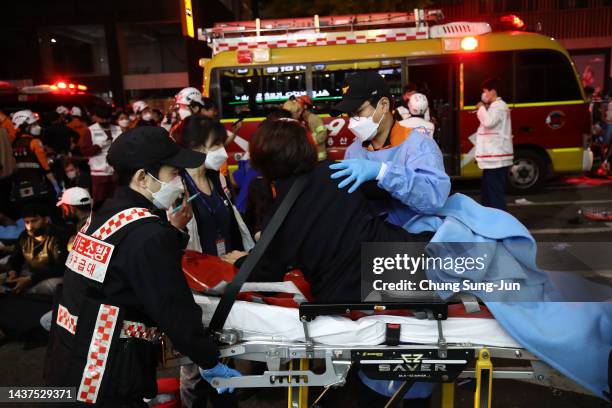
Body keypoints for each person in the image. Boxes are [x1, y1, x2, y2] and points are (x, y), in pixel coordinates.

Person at [45, 126, 240, 406]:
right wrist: (208, 360)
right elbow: (174, 308)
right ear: (142, 178)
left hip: (68, 362)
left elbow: (125, 267)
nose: (180, 181)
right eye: (173, 173)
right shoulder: (147, 234)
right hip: (104, 377)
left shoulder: (102, 217)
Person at [222, 119, 432, 302]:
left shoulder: (279, 215)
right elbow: (395, 191)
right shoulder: (338, 171)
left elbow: (265, 274)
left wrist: (241, 259)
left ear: (262, 161)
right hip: (405, 261)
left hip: (345, 293)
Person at [177, 116, 248, 408]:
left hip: (224, 280)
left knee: (225, 355)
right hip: (194, 285)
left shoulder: (216, 178)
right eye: (215, 144)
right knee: (195, 368)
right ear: (194, 147)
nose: (222, 150)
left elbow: (232, 226)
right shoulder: (178, 186)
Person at [328, 72, 450, 227]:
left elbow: (434, 199)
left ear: (384, 105)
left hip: (411, 241)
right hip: (372, 239)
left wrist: (384, 172)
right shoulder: (354, 150)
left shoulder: (419, 145)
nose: (352, 121)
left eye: (358, 112)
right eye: (349, 115)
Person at [6, 203, 68, 295]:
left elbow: (61, 268)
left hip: (56, 277)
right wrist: (13, 271)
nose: (30, 226)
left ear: (46, 219)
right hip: (32, 273)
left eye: (34, 221)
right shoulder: (24, 236)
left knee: (47, 287)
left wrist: (31, 279)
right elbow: (16, 258)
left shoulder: (59, 236)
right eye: (27, 222)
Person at [475, 77, 513, 210]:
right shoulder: (495, 106)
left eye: (485, 91)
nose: (484, 95)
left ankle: (499, 223)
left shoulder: (499, 106)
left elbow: (489, 122)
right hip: (493, 158)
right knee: (488, 194)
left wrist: (481, 109)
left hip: (496, 158)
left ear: (493, 91)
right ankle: (490, 220)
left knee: (494, 194)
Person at [11, 110, 61, 202]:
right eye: (34, 124)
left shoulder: (14, 143)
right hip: (37, 185)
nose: (38, 127)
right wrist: (56, 187)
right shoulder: (35, 142)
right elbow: (45, 167)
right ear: (25, 127)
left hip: (18, 185)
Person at [79, 104, 121, 208]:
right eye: (102, 118)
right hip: (99, 174)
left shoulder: (117, 129)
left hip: (116, 173)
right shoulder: (90, 131)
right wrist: (98, 146)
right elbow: (85, 152)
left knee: (118, 201)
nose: (105, 121)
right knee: (100, 203)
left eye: (107, 118)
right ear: (95, 117)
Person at [284, 96, 328, 161]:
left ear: (305, 107)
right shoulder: (300, 120)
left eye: (298, 108)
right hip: (307, 159)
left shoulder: (314, 119)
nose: (296, 109)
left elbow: (322, 135)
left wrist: (307, 143)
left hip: (319, 158)